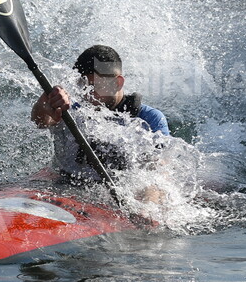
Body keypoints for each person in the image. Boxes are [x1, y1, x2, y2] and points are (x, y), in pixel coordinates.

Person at [31, 45, 170, 186]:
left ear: (118, 83)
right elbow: (41, 121)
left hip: (112, 196)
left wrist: (145, 205)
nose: (86, 94)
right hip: (63, 184)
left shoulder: (148, 119)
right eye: (82, 85)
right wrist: (48, 100)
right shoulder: (71, 110)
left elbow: (158, 173)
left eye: (94, 86)